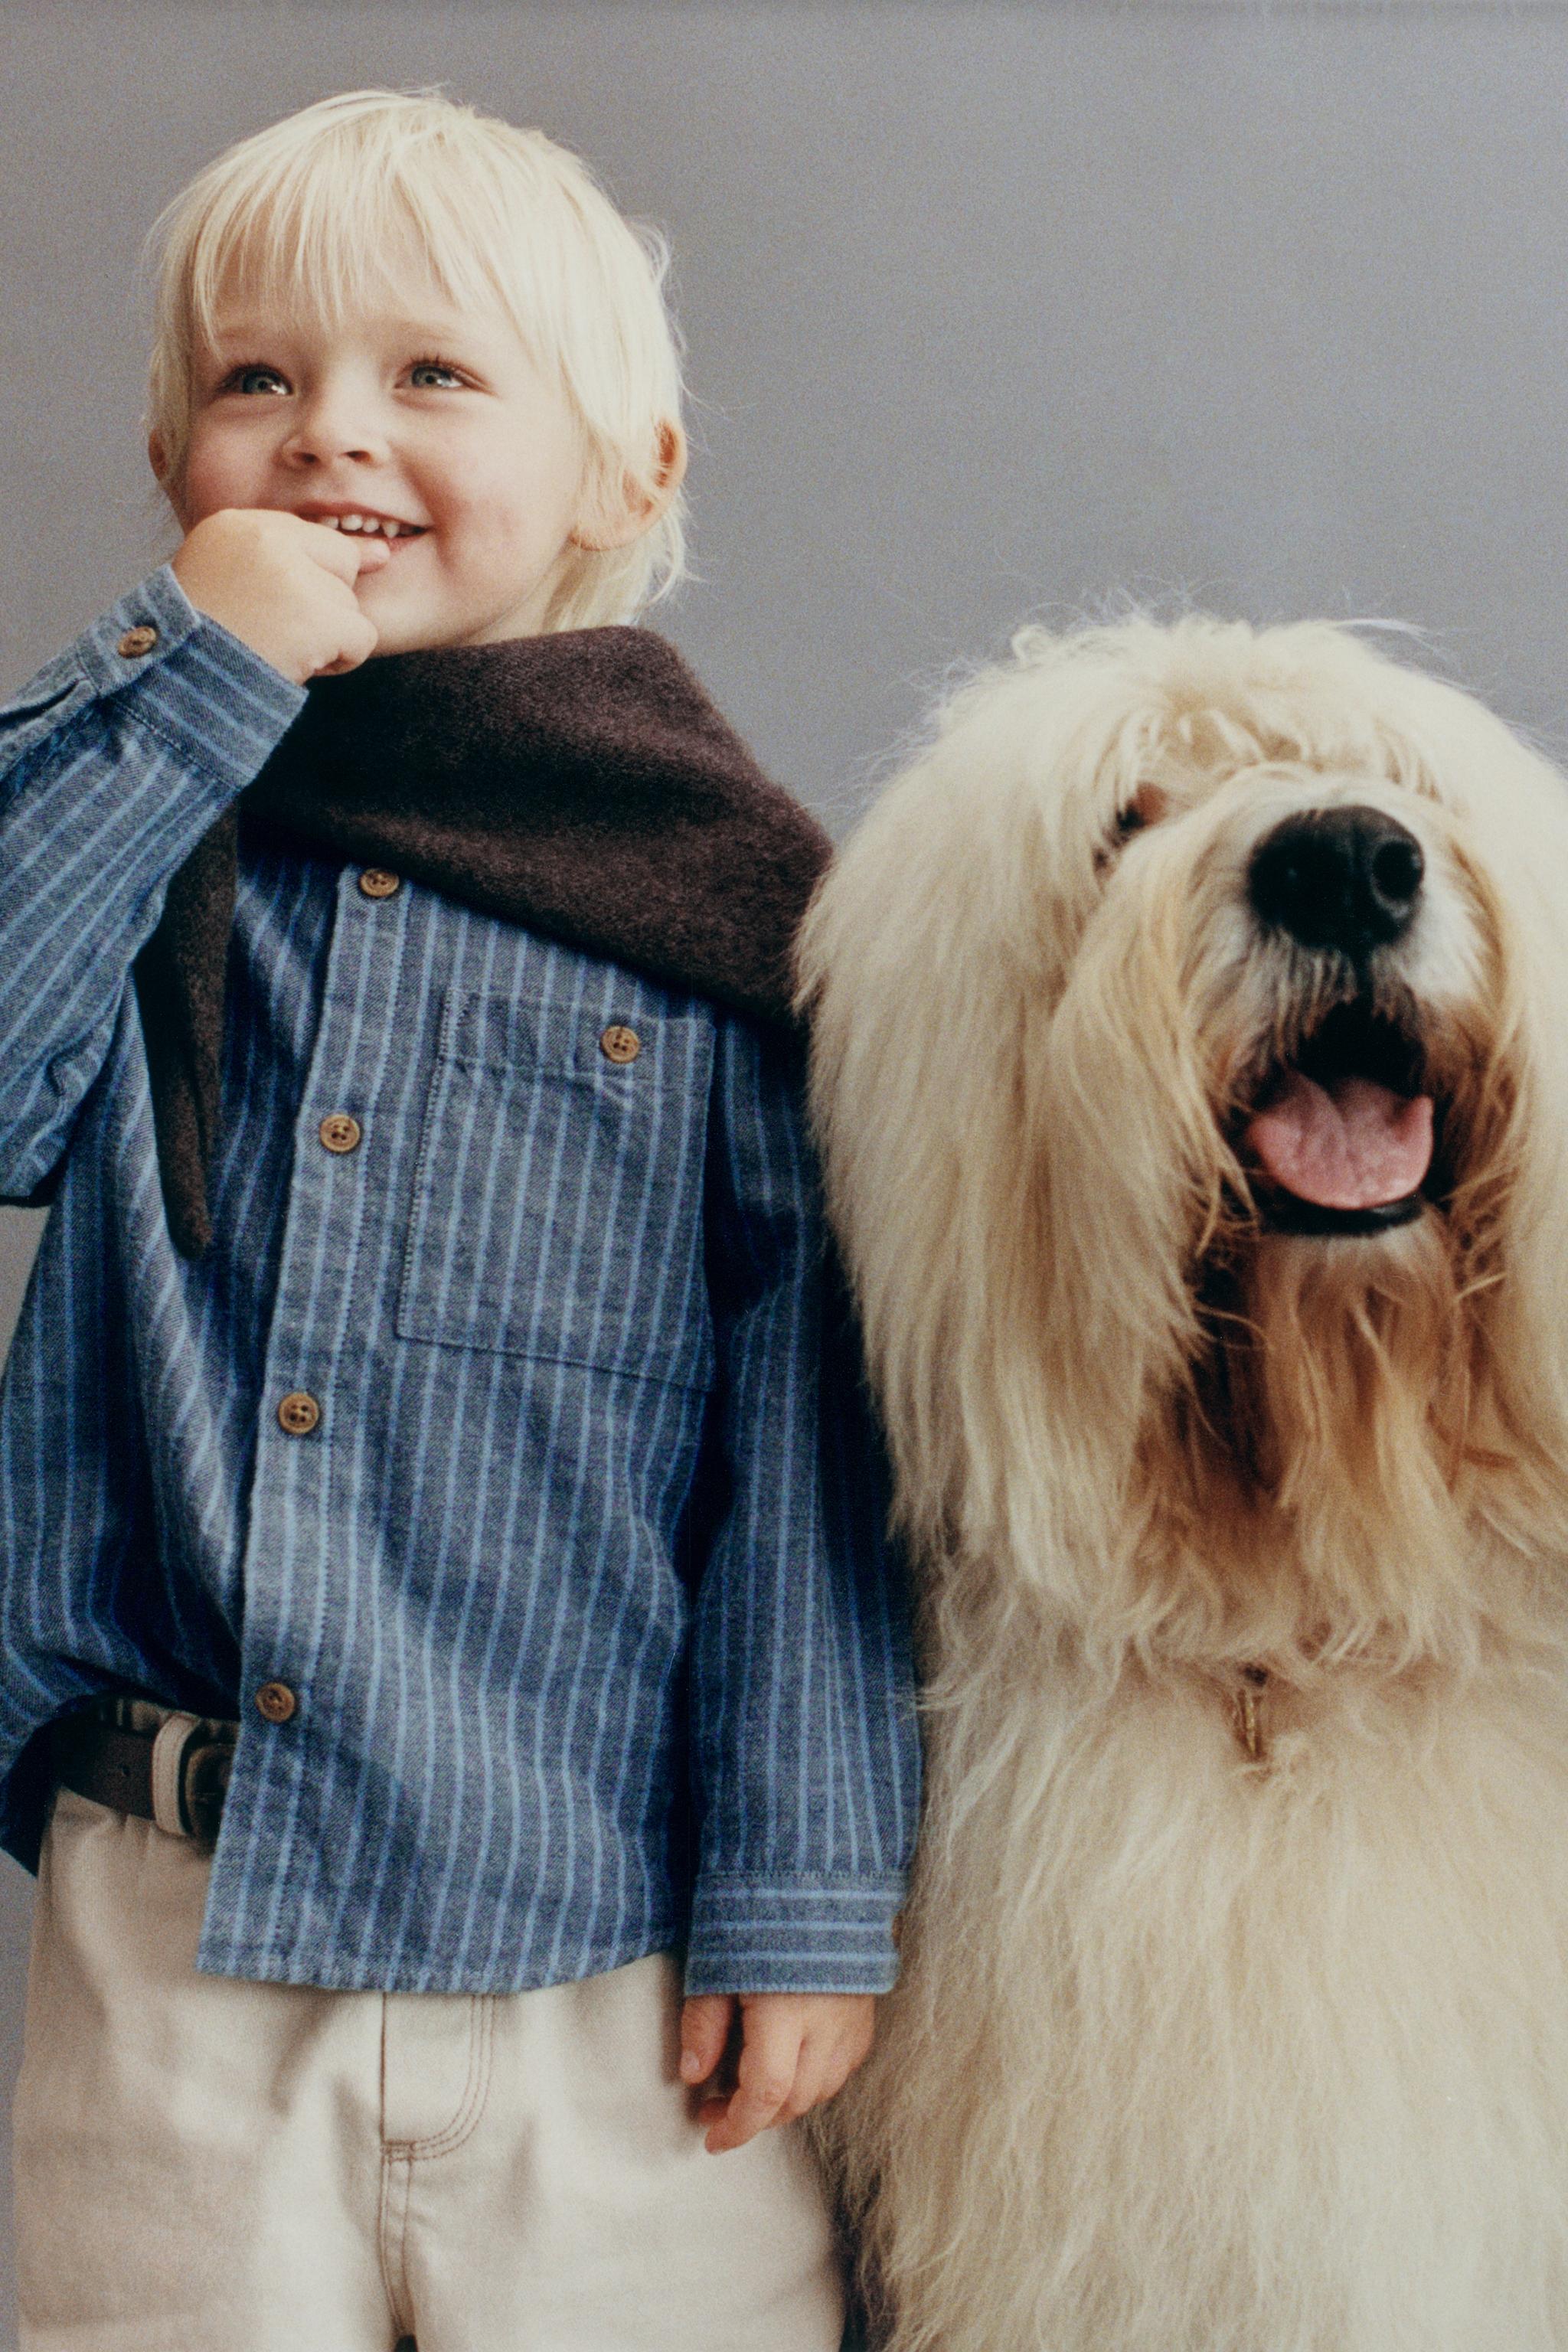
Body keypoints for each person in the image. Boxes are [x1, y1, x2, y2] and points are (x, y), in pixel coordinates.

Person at [0, 88, 916, 2352]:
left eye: (433, 374)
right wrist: (183, 684)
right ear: (174, 469)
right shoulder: (136, 818)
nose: (331, 436)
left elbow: (811, 1448)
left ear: (631, 474)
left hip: (601, 1962)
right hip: (175, 1939)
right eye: (254, 380)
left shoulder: (742, 919)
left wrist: (803, 1897)